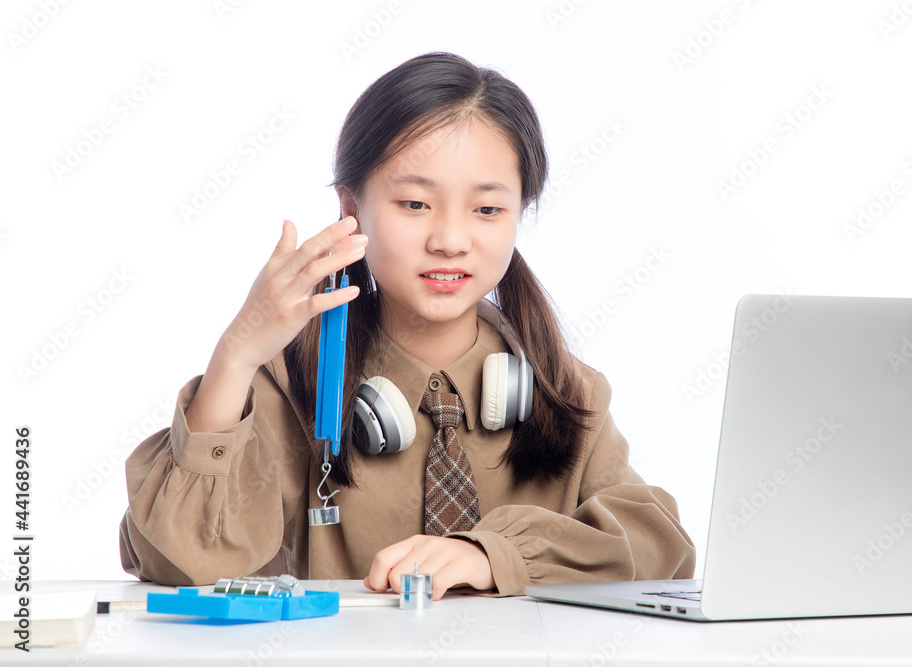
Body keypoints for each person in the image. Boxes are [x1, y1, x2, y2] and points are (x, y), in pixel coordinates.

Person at [119, 52, 695, 599]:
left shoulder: (563, 388)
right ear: (352, 207)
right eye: (415, 204)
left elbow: (659, 545)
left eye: (488, 209)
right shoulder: (291, 383)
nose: (449, 240)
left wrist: (496, 555)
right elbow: (181, 564)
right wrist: (237, 356)